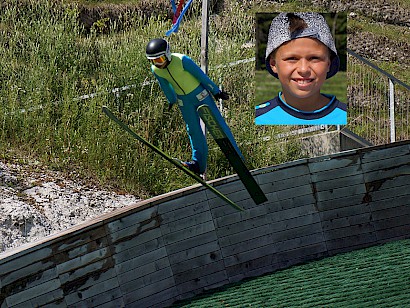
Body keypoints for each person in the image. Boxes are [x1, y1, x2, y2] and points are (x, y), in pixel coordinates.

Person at [146, 38, 244, 175]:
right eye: (153, 61)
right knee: (193, 130)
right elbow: (165, 86)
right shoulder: (156, 70)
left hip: (200, 95)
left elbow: (200, 76)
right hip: (183, 101)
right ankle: (198, 164)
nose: (158, 64)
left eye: (160, 59)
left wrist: (216, 91)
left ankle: (238, 158)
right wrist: (171, 100)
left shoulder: (182, 60)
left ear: (167, 54)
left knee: (217, 125)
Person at [255, 13, 347, 125]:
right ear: (273, 64)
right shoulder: (259, 117)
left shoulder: (348, 116)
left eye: (314, 58)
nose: (303, 69)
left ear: (329, 64)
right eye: (292, 58)